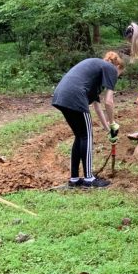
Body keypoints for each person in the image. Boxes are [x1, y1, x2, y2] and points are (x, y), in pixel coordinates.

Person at [51, 51, 124, 188]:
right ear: (118, 67)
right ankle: (89, 179)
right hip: (75, 96)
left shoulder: (95, 74)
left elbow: (97, 107)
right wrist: (113, 123)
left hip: (61, 96)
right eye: (120, 74)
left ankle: (74, 179)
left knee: (80, 136)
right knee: (87, 136)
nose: (117, 77)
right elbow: (109, 102)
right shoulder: (111, 69)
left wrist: (108, 130)